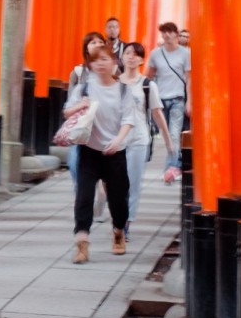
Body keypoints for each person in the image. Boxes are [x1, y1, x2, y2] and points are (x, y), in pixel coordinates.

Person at [62, 43, 140, 263]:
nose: (100, 64)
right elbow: (67, 112)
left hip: (115, 152)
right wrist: (79, 106)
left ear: (114, 62)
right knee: (84, 197)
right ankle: (82, 243)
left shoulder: (123, 89)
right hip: (89, 150)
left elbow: (128, 120)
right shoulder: (84, 88)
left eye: (105, 59)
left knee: (118, 199)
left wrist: (117, 141)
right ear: (90, 64)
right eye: (95, 60)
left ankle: (118, 232)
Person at [119, 41, 174, 240]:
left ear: (142, 60)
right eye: (127, 53)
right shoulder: (113, 82)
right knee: (116, 183)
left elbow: (158, 114)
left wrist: (168, 141)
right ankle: (118, 216)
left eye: (135, 54)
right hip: (116, 140)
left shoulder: (147, 85)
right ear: (122, 57)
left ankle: (125, 223)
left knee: (133, 183)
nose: (131, 57)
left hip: (138, 140)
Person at [146, 21, 191, 182]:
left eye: (169, 32)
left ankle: (171, 168)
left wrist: (189, 101)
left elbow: (189, 79)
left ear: (176, 34)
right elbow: (148, 76)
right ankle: (174, 163)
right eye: (163, 32)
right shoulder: (155, 54)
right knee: (164, 134)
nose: (166, 35)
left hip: (178, 99)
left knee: (173, 134)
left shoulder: (185, 53)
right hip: (159, 100)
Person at [66, 31, 109, 189]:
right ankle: (83, 195)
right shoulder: (77, 73)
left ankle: (100, 192)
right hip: (82, 124)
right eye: (93, 42)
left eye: (100, 42)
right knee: (74, 162)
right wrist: (81, 104)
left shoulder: (113, 72)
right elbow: (70, 103)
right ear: (86, 49)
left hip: (104, 125)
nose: (97, 45)